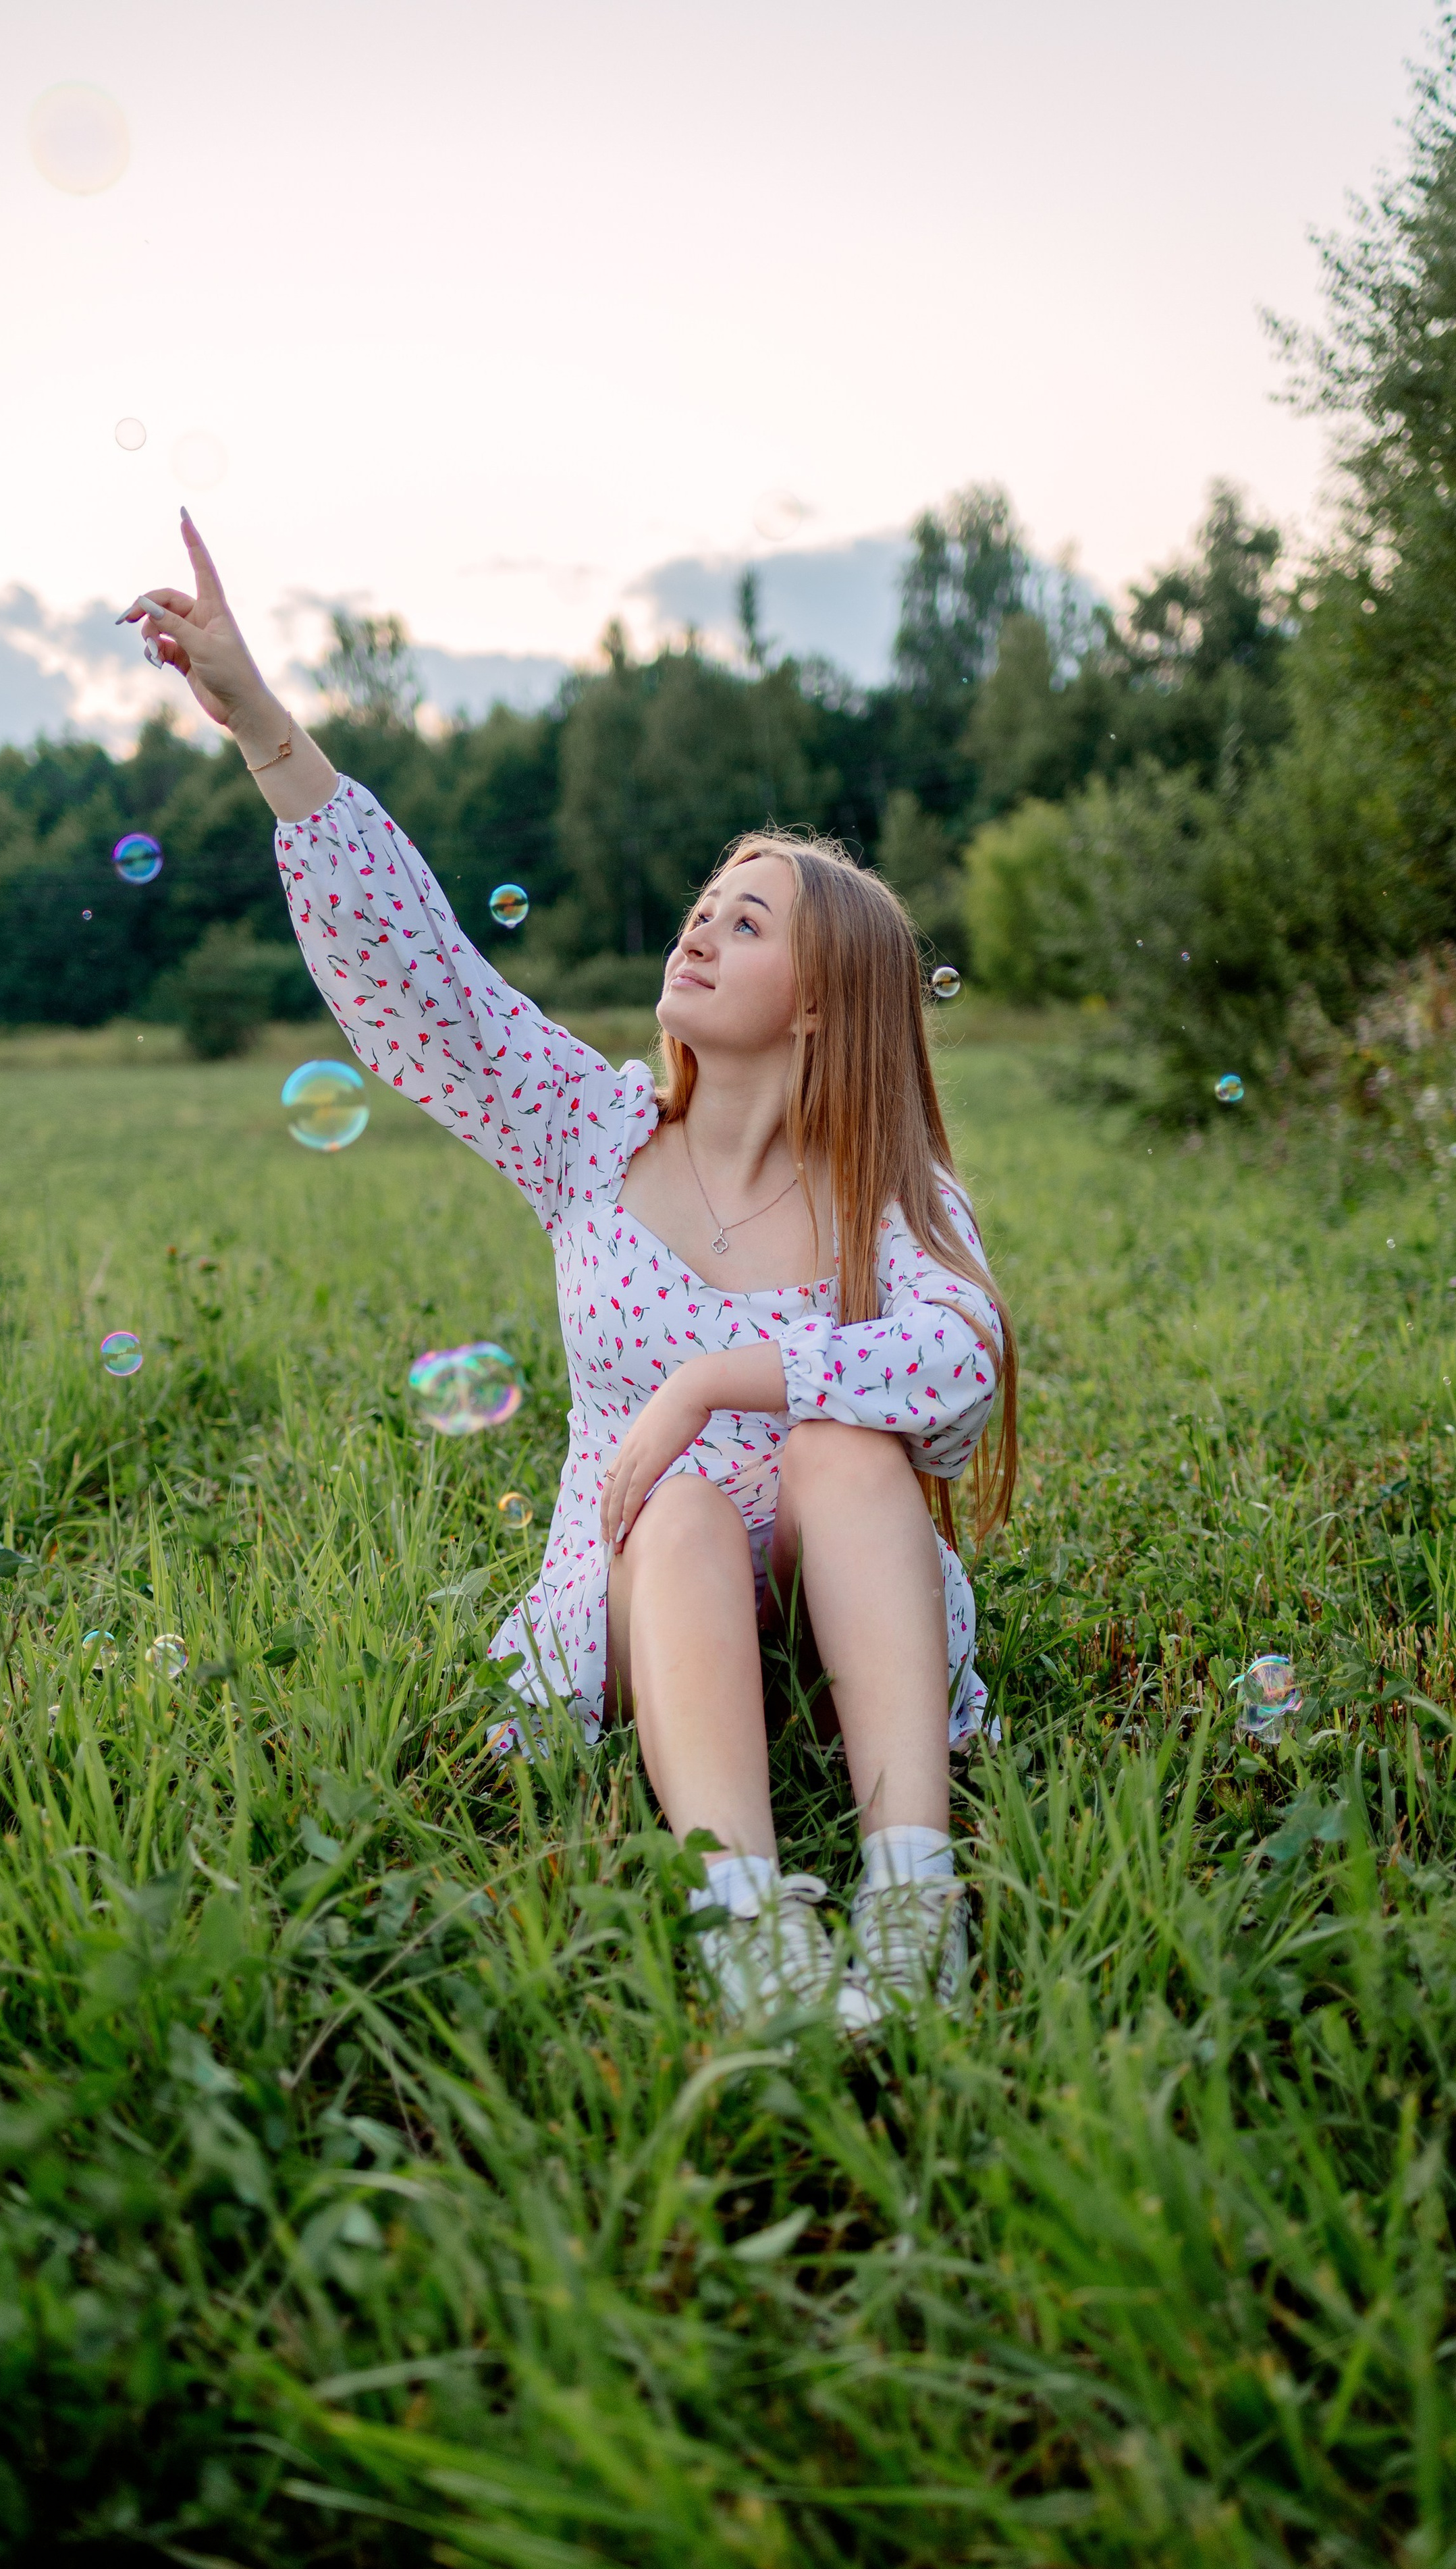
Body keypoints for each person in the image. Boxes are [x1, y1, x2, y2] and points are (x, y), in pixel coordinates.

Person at [120, 513, 1019, 2032]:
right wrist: (265, 724)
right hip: (640, 1595)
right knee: (678, 1510)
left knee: (845, 1451)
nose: (699, 930)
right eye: (704, 907)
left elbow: (962, 1361)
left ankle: (911, 1891)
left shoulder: (888, 1193)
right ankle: (748, 1920)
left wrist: (717, 1378)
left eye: (747, 922)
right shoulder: (592, 1129)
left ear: (820, 1007)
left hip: (843, 1608)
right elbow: (425, 978)